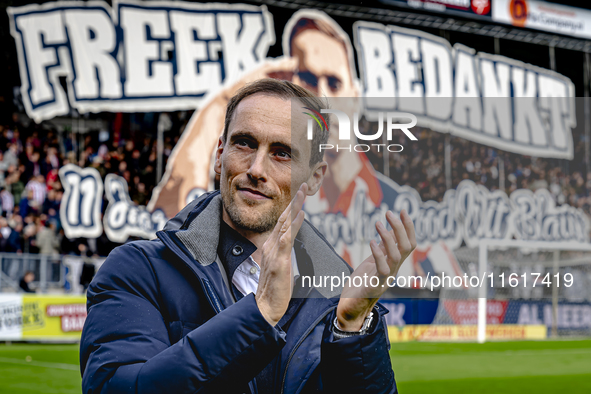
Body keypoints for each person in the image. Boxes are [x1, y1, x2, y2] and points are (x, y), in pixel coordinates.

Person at [80, 79, 416, 393]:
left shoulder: (342, 298)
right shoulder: (137, 270)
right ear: (219, 155)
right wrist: (259, 316)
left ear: (315, 178)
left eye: (281, 153)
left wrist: (350, 328)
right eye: (244, 143)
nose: (256, 169)